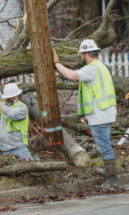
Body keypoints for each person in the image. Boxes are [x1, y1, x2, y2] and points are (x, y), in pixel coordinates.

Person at [52, 39, 119, 189]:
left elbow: (72, 76)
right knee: (104, 145)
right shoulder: (100, 67)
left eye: (82, 53)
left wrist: (57, 64)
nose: (81, 56)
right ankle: (110, 173)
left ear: (86, 53)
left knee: (104, 146)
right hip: (106, 111)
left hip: (100, 114)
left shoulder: (91, 69)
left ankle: (112, 180)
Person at [0, 78, 34, 160]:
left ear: (16, 96)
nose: (7, 99)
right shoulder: (4, 103)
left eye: (9, 98)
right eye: (6, 97)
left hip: (18, 148)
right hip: (2, 149)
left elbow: (11, 113)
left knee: (31, 169)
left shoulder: (22, 108)